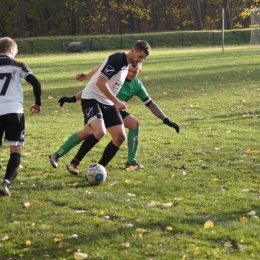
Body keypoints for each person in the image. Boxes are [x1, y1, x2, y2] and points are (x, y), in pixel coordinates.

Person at [49, 63, 179, 173]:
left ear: (140, 71)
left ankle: (130, 161)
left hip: (113, 111)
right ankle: (57, 155)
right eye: (129, 70)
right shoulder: (117, 77)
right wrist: (73, 98)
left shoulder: (137, 85)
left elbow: (150, 104)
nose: (131, 74)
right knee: (88, 132)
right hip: (98, 106)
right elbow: (94, 89)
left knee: (134, 124)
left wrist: (166, 120)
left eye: (135, 72)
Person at [50, 40, 151, 175]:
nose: (139, 61)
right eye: (139, 57)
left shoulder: (127, 63)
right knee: (99, 131)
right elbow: (100, 82)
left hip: (106, 103)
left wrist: (87, 75)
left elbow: (100, 68)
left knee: (120, 137)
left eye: (143, 59)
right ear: (133, 50)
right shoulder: (117, 59)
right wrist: (116, 101)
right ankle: (74, 162)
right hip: (92, 98)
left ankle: (98, 169)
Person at [0, 37, 42, 196]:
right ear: (11, 50)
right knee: (15, 150)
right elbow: (36, 83)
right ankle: (6, 183)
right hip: (14, 111)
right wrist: (38, 103)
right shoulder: (18, 65)